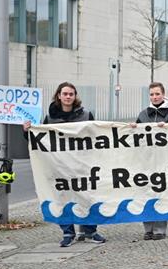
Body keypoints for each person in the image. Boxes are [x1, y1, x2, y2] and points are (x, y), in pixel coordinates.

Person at [23, 82, 106, 247]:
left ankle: (90, 230)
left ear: (75, 96)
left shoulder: (86, 115)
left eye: (71, 94)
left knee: (87, 197)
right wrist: (27, 132)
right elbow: (40, 141)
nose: (68, 97)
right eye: (65, 94)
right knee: (61, 198)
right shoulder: (50, 117)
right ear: (59, 96)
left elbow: (96, 136)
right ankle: (68, 232)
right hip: (59, 166)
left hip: (82, 165)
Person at [133, 82, 168, 241]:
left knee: (161, 194)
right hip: (146, 161)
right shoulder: (143, 115)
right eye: (152, 94)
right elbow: (136, 139)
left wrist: (167, 129)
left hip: (164, 160)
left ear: (163, 94)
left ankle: (160, 229)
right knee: (146, 193)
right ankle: (148, 228)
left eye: (157, 94)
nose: (155, 97)